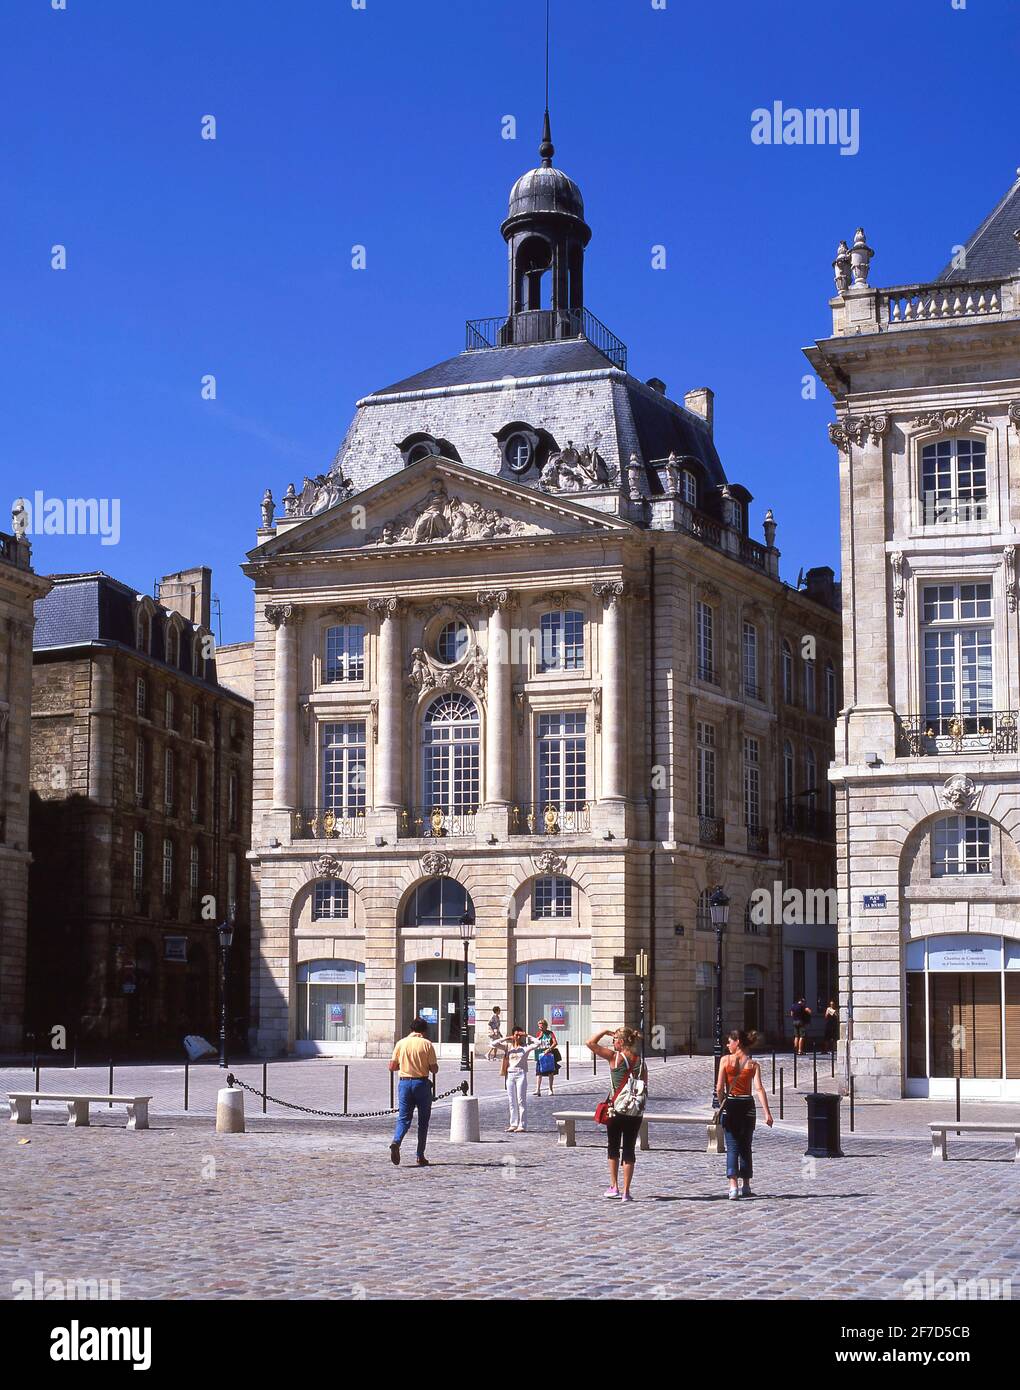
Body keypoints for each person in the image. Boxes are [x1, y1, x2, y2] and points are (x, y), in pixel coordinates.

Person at [587, 1026, 648, 1203]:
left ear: (620, 1042)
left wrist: (604, 1031)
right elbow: (644, 1086)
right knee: (629, 1149)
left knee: (613, 1147)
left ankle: (614, 1186)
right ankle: (626, 1192)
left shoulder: (615, 1057)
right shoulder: (641, 1062)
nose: (613, 1043)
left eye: (614, 1040)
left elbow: (590, 1043)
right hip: (635, 1111)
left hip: (616, 1110)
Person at [715, 1028, 773, 1199]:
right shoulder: (753, 1064)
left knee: (732, 1147)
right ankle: (746, 1185)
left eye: (729, 1041)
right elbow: (759, 1089)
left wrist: (722, 1103)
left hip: (732, 1104)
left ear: (737, 1042)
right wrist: (767, 1113)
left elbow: (719, 1088)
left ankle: (733, 1187)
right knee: (746, 1146)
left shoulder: (725, 1060)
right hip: (748, 1106)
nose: (727, 1045)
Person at [388, 1018, 439, 1167]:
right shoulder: (427, 1044)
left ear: (411, 1029)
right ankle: (419, 1155)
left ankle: (396, 1141)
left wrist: (404, 1066)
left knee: (403, 1118)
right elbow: (434, 1068)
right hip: (421, 1083)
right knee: (423, 1121)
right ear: (424, 1031)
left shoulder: (401, 1043)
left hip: (404, 1083)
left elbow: (391, 1066)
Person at [494, 1025, 541, 1132]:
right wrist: (506, 1038)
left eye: (520, 1035)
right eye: (516, 1035)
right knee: (511, 1100)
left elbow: (538, 1043)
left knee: (521, 1100)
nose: (518, 1037)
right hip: (510, 1074)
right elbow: (493, 1044)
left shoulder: (525, 1048)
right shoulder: (508, 1047)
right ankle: (513, 1124)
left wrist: (527, 1035)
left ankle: (522, 1125)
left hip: (521, 1074)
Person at [533, 1018, 559, 1097]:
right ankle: (537, 1089)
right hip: (540, 1055)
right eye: (539, 1027)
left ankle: (550, 1089)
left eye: (541, 1027)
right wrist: (539, 1037)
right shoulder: (539, 1034)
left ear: (545, 1026)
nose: (540, 1028)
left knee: (550, 1072)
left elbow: (555, 1043)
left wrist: (549, 1049)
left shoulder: (550, 1033)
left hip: (549, 1055)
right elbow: (535, 1043)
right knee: (539, 1072)